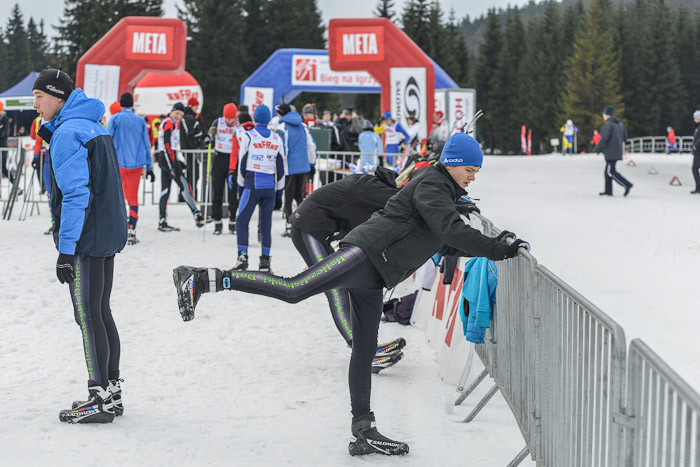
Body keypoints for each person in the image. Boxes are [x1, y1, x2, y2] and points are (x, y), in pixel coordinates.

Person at [172, 132, 529, 456]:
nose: (472, 177)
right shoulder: (432, 185)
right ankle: (206, 279)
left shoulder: (443, 195)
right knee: (295, 289)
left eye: (476, 172)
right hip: (362, 254)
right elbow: (451, 230)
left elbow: (447, 243)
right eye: (470, 169)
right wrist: (499, 247)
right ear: (452, 164)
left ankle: (364, 430)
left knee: (363, 350)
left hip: (376, 277)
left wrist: (483, 240)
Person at [33, 68, 127, 423]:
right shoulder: (92, 124)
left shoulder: (68, 132)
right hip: (106, 229)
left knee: (87, 315)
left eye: (40, 96)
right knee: (101, 311)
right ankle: (112, 392)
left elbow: (76, 194)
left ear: (58, 97)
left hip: (87, 235)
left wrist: (65, 250)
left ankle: (98, 397)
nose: (36, 104)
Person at [288, 165, 406, 372]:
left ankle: (367, 349)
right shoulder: (373, 189)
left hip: (317, 232)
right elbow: (407, 202)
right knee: (335, 290)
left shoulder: (367, 187)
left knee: (349, 287)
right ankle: (364, 354)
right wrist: (452, 205)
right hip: (307, 229)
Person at [233, 104, 285, 272]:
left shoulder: (249, 135)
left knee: (241, 220)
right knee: (265, 225)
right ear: (269, 119)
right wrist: (279, 192)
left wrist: (240, 187)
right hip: (269, 187)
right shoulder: (276, 138)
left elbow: (242, 162)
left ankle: (242, 258)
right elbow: (282, 167)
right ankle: (265, 261)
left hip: (252, 185)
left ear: (254, 118)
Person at [108, 92, 154, 245]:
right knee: (133, 197)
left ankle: (118, 229)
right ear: (132, 104)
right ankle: (132, 228)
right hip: (137, 164)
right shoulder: (140, 120)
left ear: (121, 104)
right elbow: (146, 144)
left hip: (119, 163)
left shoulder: (114, 119)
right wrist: (150, 166)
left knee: (119, 197)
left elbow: (107, 142)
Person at [158, 102, 205, 231]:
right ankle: (197, 214)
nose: (178, 116)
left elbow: (170, 147)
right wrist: (172, 166)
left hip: (168, 159)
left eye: (181, 115)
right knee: (184, 185)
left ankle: (162, 220)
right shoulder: (168, 123)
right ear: (172, 111)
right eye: (177, 113)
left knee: (165, 189)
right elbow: (167, 145)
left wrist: (177, 162)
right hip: (168, 159)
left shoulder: (171, 123)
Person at [275, 103, 316, 234]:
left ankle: (289, 225)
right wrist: (312, 164)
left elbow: (283, 150)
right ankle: (302, 223)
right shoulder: (303, 126)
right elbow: (311, 146)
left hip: (289, 168)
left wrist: (280, 168)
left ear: (281, 114)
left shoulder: (282, 127)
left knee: (288, 197)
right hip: (303, 167)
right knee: (300, 197)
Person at [207, 103, 239, 235]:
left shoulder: (239, 124)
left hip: (233, 161)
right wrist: (208, 138)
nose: (228, 121)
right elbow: (211, 131)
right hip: (219, 159)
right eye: (227, 118)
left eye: (231, 119)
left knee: (233, 194)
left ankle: (232, 222)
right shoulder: (218, 121)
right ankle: (218, 223)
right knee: (217, 193)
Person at [593, 106, 633, 196]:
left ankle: (627, 184)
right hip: (617, 151)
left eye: (604, 114)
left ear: (607, 115)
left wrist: (597, 148)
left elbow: (604, 138)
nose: (603, 116)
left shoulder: (608, 125)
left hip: (611, 152)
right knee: (608, 171)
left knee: (610, 171)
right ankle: (608, 191)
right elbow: (625, 138)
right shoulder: (620, 124)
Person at [0, 101, 10, 183]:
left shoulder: (5, 119)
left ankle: (15, 185)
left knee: (3, 168)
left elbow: (5, 134)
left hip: (3, 145)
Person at [691, 110, 700, 194]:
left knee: (694, 169)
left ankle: (698, 187)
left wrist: (695, 146)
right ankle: (698, 187)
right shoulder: (697, 127)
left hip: (698, 152)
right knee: (695, 169)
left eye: (695, 117)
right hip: (698, 152)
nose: (694, 119)